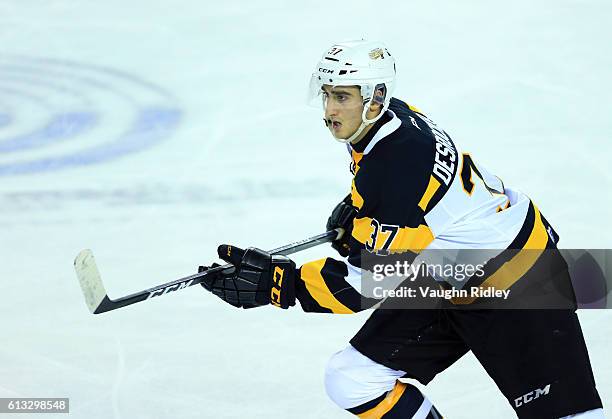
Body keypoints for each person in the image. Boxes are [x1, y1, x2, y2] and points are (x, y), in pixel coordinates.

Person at [198, 40, 604, 418]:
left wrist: (279, 283)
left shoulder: (396, 165)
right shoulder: (393, 120)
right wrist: (360, 219)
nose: (329, 110)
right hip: (450, 271)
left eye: (342, 97)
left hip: (518, 278)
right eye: (326, 95)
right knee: (352, 379)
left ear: (374, 98)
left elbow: (366, 284)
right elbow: (411, 212)